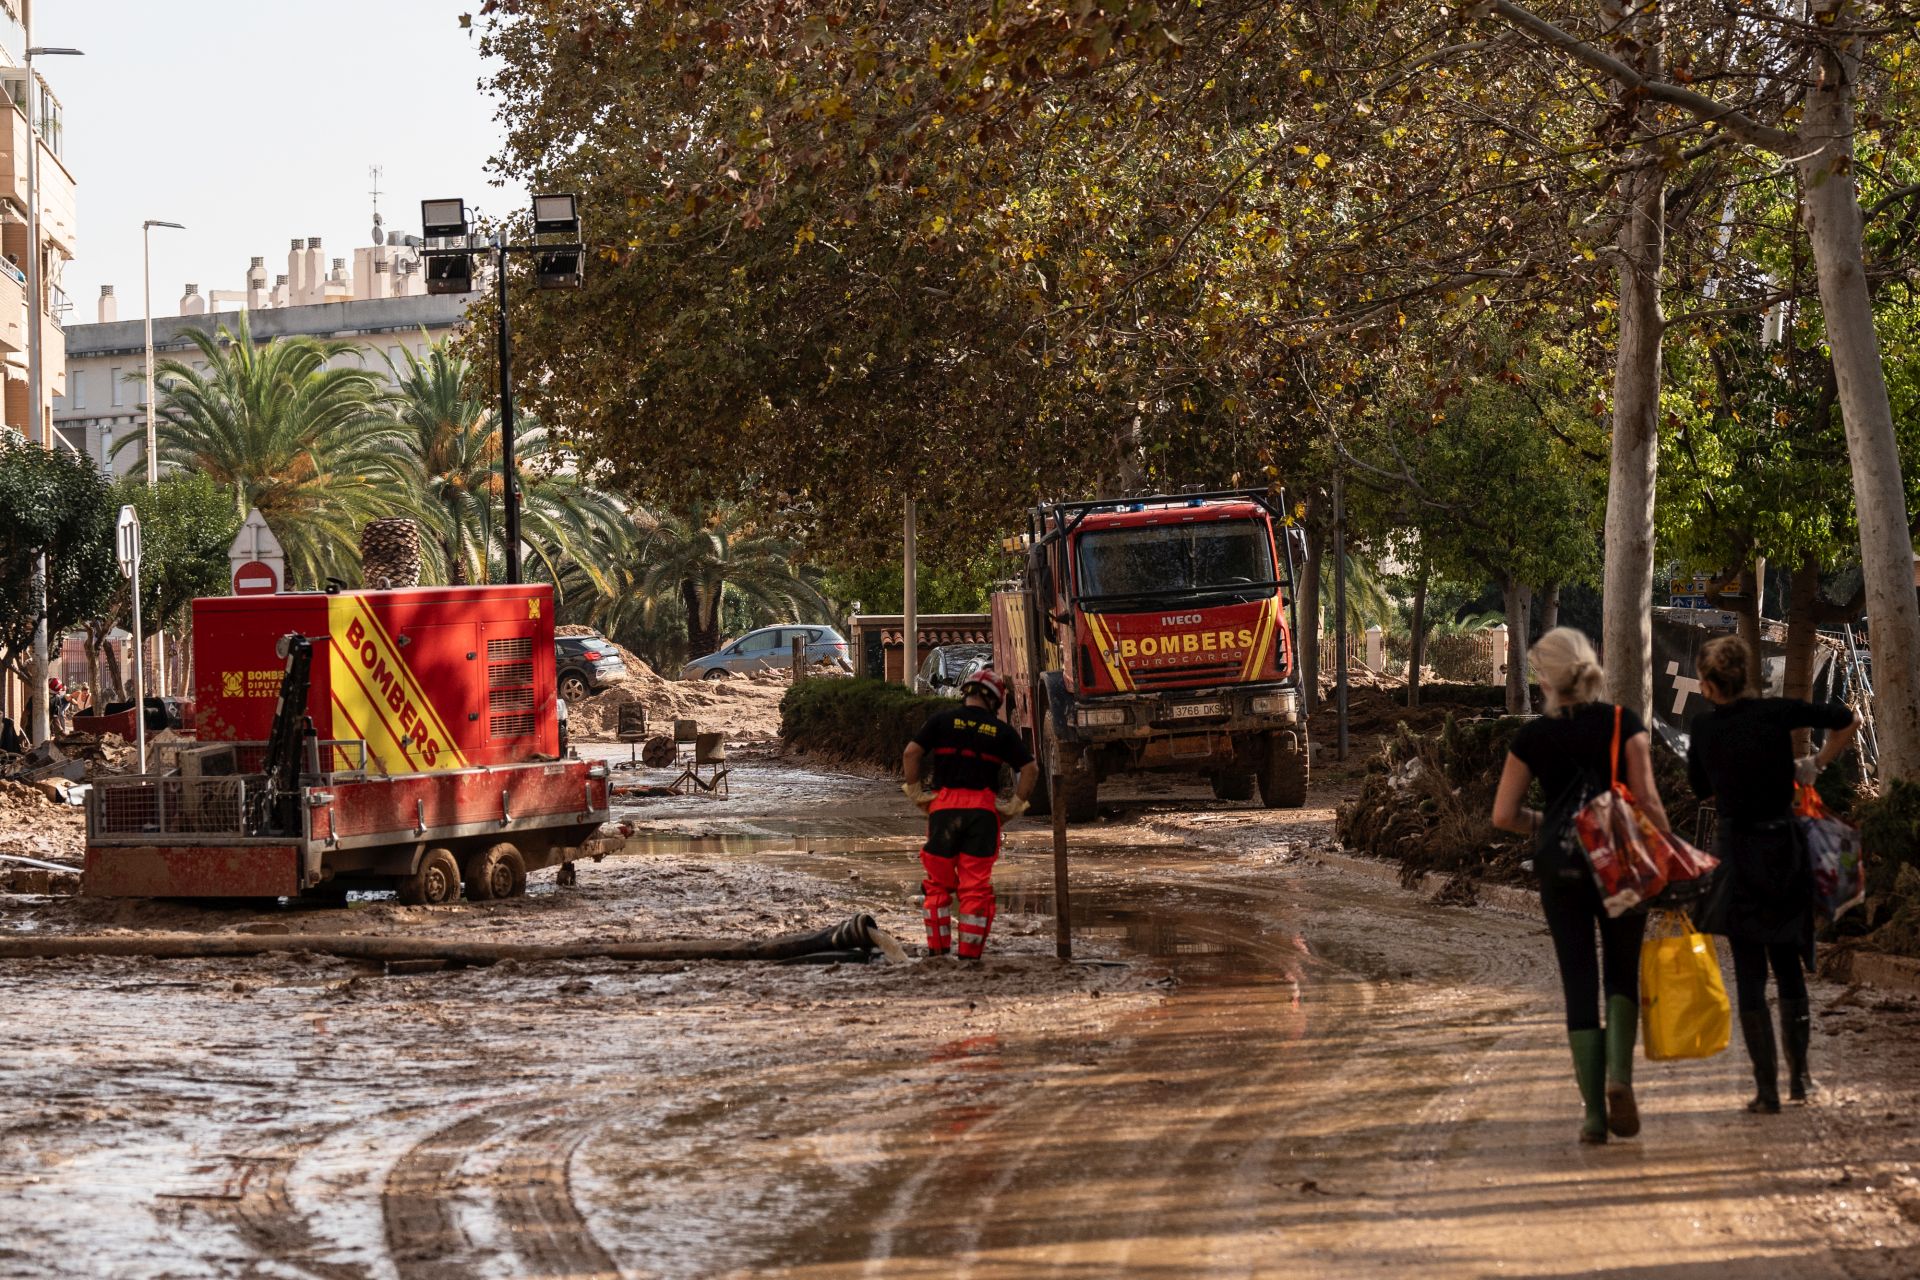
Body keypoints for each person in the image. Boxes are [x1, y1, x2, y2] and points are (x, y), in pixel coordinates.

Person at [1492, 627, 1674, 1144]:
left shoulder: (1530, 737)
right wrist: (1668, 852)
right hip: (1618, 862)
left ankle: (1594, 1115)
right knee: (1621, 970)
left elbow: (1503, 816)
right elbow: (1649, 803)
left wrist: (1547, 824)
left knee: (1578, 980)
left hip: (1562, 867)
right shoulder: (1623, 723)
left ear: (1545, 677)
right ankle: (1620, 1077)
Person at [1687, 634, 1857, 1113]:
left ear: (1708, 684)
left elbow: (1699, 787)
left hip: (1737, 854)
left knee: (1748, 974)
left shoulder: (1703, 729)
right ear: (1746, 677)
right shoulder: (1778, 712)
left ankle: (1765, 1091)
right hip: (1784, 849)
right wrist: (1815, 764)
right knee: (1789, 968)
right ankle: (1800, 1079)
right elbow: (1846, 719)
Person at [901, 669, 1039, 960]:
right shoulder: (1001, 731)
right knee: (975, 888)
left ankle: (937, 952)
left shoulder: (941, 721)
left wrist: (915, 793)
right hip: (982, 813)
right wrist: (1014, 806)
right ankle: (970, 956)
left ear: (967, 692)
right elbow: (1030, 769)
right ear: (995, 701)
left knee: (937, 886)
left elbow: (911, 753)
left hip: (944, 811)